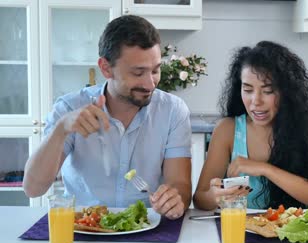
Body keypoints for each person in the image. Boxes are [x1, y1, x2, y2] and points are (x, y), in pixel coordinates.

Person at [23, 15, 192, 220]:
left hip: (146, 227)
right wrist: (61, 130)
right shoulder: (69, 108)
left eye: (155, 71)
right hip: (84, 227)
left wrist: (174, 199)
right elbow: (33, 189)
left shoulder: (173, 111)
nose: (150, 84)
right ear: (105, 68)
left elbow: (180, 185)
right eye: (138, 73)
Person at [193, 41, 308, 210]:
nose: (256, 101)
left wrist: (264, 169)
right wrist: (215, 196)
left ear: (287, 92)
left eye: (268, 91)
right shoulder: (228, 130)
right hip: (242, 232)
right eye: (247, 90)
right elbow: (200, 199)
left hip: (295, 232)